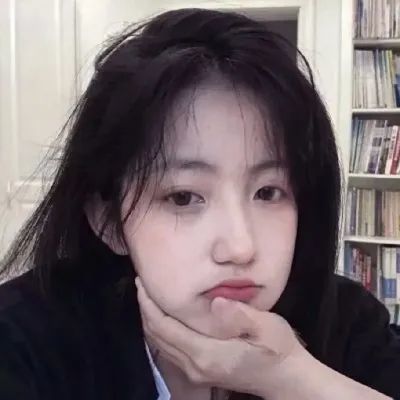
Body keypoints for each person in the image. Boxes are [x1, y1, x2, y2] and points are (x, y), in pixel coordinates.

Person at [0, 7, 399, 400]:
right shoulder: (24, 340)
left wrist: (292, 378)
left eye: (267, 192)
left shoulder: (347, 322)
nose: (240, 248)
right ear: (108, 221)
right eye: (183, 197)